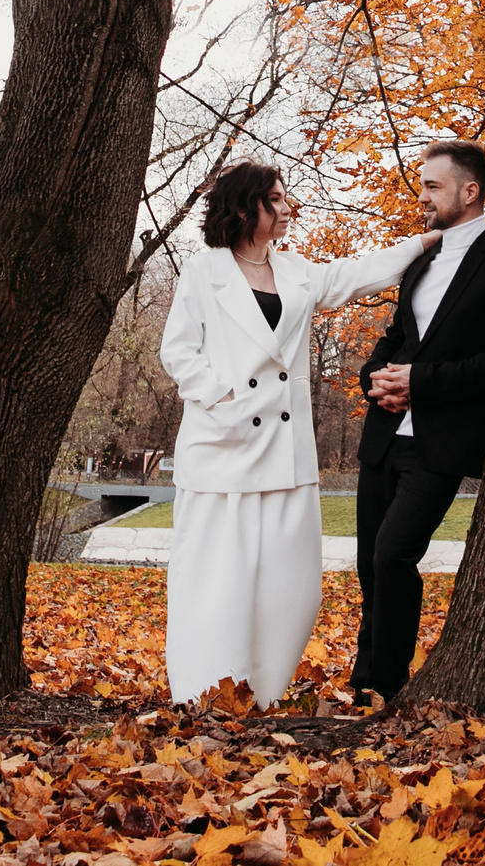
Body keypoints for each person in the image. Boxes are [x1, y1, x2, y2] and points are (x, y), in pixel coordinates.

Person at [159, 160, 438, 707]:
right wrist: (224, 399)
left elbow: (358, 273)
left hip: (286, 459)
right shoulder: (203, 271)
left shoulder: (297, 273)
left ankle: (259, 695)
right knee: (214, 584)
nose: (288, 208)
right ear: (245, 208)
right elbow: (179, 351)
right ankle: (202, 697)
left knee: (291, 588)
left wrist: (425, 242)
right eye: (277, 199)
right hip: (223, 452)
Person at [349, 140, 485, 706]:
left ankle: (388, 684)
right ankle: (365, 682)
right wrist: (375, 379)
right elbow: (395, 339)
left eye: (432, 186)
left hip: (441, 442)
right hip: (384, 435)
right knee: (367, 564)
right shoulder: (421, 259)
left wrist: (419, 385)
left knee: (393, 554)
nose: (422, 196)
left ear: (469, 192)